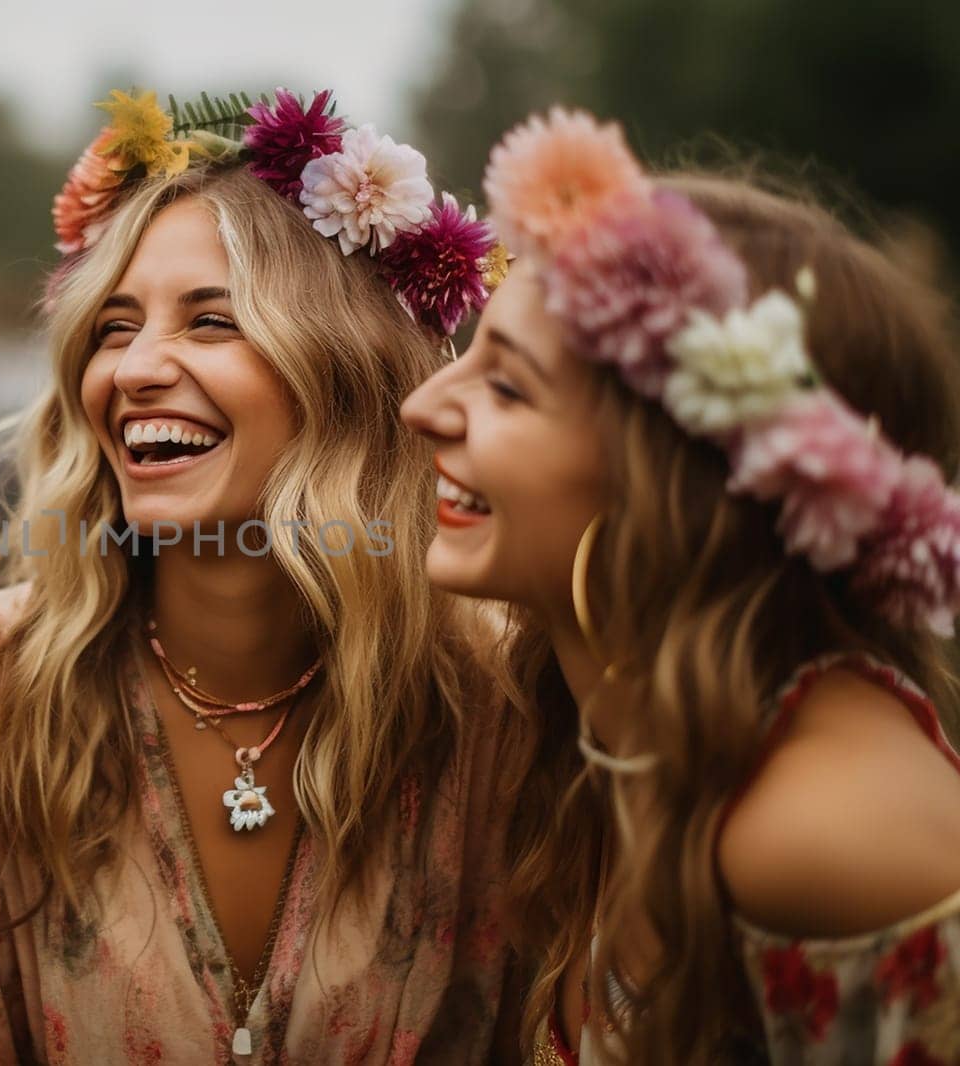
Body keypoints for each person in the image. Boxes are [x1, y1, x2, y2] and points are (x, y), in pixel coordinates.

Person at [0, 88, 522, 1063]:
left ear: (346, 374)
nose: (136, 367)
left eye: (209, 322)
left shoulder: (494, 697)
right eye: (112, 327)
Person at [402, 107, 960, 1063]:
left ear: (675, 481)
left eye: (507, 388)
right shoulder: (604, 744)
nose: (419, 407)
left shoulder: (824, 825)